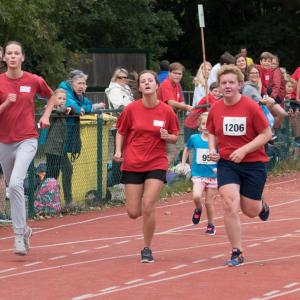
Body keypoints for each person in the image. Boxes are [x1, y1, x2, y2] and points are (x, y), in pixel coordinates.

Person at [207, 65, 272, 267]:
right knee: (229, 204)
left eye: (231, 83)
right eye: (223, 83)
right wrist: (212, 149)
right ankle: (237, 251)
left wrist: (244, 150)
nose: (227, 86)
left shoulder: (251, 107)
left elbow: (266, 134)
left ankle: (261, 205)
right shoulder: (216, 108)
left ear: (239, 85)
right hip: (227, 163)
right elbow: (211, 131)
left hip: (253, 164)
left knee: (250, 210)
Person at [114, 70, 179, 263]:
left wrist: (168, 137)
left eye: (151, 80)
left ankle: (147, 248)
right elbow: (121, 131)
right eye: (143, 81)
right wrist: (118, 151)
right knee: (134, 212)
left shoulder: (166, 111)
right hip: (133, 162)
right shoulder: (131, 109)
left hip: (156, 162)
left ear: (157, 85)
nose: (147, 83)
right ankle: (145, 212)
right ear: (140, 87)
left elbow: (175, 136)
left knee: (148, 204)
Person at [0, 40, 56, 255]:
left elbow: (51, 95)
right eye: (9, 53)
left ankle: (18, 238)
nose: (13, 57)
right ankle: (24, 230)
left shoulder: (33, 80)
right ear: (4, 58)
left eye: (17, 53)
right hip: (4, 142)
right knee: (14, 189)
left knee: (15, 183)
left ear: (23, 57)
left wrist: (46, 115)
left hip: (27, 139)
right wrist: (6, 104)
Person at [57, 70, 103, 207]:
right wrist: (80, 108)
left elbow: (87, 105)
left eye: (84, 83)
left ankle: (56, 201)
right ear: (71, 83)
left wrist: (84, 108)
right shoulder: (64, 90)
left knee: (56, 171)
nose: (82, 86)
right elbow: (72, 105)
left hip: (65, 137)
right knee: (62, 169)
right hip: (55, 138)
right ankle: (66, 200)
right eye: (79, 83)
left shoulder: (79, 95)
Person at [181, 112, 219, 235]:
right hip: (198, 174)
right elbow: (187, 149)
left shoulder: (217, 140)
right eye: (203, 124)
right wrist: (183, 163)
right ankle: (198, 209)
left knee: (209, 203)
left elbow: (222, 153)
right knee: (196, 196)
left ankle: (211, 224)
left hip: (213, 176)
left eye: (209, 124)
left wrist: (219, 165)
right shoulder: (194, 138)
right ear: (200, 126)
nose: (206, 126)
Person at [157, 62, 193, 163]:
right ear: (169, 73)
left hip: (170, 120)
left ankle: (160, 172)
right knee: (170, 151)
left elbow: (180, 101)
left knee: (170, 150)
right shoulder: (166, 84)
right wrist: (186, 107)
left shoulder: (176, 85)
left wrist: (179, 106)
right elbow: (171, 102)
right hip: (161, 121)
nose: (177, 76)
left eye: (179, 74)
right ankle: (160, 171)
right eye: (175, 73)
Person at [242, 64, 287, 129]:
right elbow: (248, 105)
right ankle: (269, 131)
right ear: (248, 75)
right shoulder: (247, 88)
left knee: (282, 114)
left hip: (261, 111)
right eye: (252, 73)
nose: (255, 74)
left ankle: (270, 130)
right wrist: (265, 102)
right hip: (255, 115)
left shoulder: (254, 86)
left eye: (256, 72)